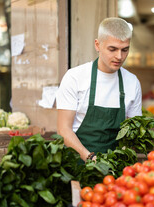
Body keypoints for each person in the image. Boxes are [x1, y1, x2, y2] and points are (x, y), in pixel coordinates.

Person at [56, 17, 142, 162]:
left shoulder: (132, 82)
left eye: (125, 50)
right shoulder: (75, 77)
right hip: (78, 163)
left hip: (116, 167)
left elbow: (134, 132)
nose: (119, 56)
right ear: (98, 45)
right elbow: (64, 130)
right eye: (112, 49)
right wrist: (90, 158)